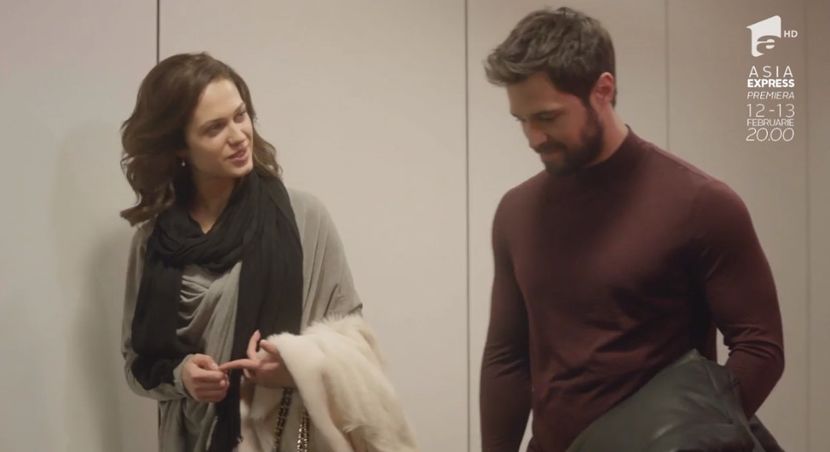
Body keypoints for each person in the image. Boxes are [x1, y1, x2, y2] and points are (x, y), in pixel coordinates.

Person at [479, 7, 784, 452]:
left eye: (547, 117)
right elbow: (506, 358)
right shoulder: (517, 212)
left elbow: (760, 347)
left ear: (603, 90)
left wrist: (694, 440)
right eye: (521, 120)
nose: (533, 137)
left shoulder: (701, 203)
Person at [119, 52, 361, 451]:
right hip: (189, 439)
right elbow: (136, 364)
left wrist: (294, 369)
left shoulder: (303, 217)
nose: (238, 135)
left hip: (286, 436)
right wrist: (182, 376)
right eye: (215, 128)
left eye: (240, 115)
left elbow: (354, 345)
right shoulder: (154, 242)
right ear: (179, 146)